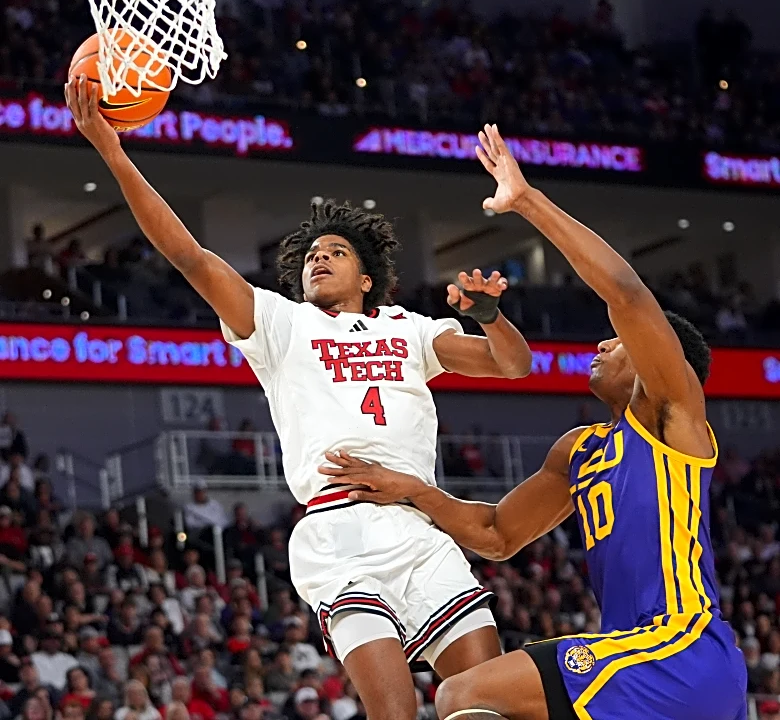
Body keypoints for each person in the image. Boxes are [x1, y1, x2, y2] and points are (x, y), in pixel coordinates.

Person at [65, 77, 534, 720]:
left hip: (418, 525)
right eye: (312, 254)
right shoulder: (282, 325)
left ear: (366, 278)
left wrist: (490, 316)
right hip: (337, 529)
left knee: (485, 703)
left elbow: (513, 365)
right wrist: (114, 152)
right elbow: (191, 257)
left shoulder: (410, 328)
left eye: (336, 253)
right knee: (393, 713)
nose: (319, 260)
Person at [321, 125, 749, 720]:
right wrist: (416, 491)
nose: (604, 342)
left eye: (621, 342)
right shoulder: (580, 449)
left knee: (464, 692)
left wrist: (524, 200)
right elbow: (498, 534)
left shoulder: (673, 419)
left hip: (677, 650)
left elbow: (625, 293)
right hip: (642, 664)